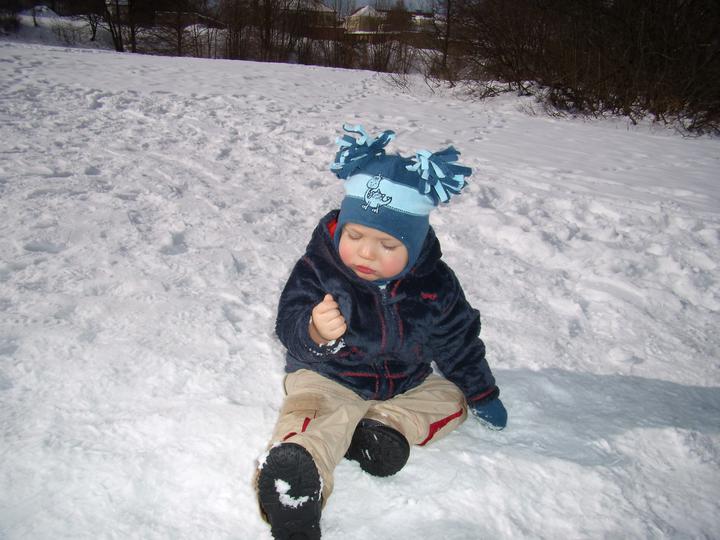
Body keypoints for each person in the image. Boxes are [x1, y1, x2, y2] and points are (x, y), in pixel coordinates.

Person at [256, 125, 507, 540]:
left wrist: (482, 393)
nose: (366, 252)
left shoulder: (435, 284)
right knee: (316, 413)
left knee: (451, 397)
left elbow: (458, 342)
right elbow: (289, 321)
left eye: (387, 245)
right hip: (327, 376)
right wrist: (315, 330)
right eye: (354, 235)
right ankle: (298, 477)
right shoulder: (319, 269)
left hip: (405, 383)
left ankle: (382, 428)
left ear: (415, 245)